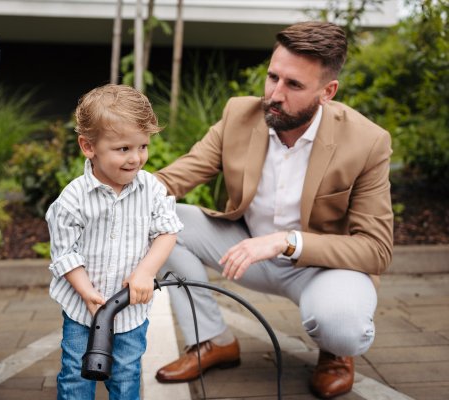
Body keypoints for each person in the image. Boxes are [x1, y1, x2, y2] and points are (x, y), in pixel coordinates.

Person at [153, 21, 393, 399]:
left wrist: (287, 241)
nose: (274, 95)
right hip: (246, 251)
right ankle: (213, 340)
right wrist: (107, 192)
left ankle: (335, 354)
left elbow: (376, 250)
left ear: (327, 92)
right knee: (159, 219)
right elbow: (175, 177)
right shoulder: (239, 115)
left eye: (293, 85)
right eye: (272, 77)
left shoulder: (367, 141)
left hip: (322, 270)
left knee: (344, 328)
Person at [47, 84, 183, 400]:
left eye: (143, 146)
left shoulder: (152, 190)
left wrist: (145, 272)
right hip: (83, 311)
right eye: (123, 149)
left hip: (130, 313)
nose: (136, 158)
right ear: (88, 146)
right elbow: (65, 254)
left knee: (125, 377)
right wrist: (87, 293)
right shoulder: (72, 199)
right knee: (75, 376)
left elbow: (167, 232)